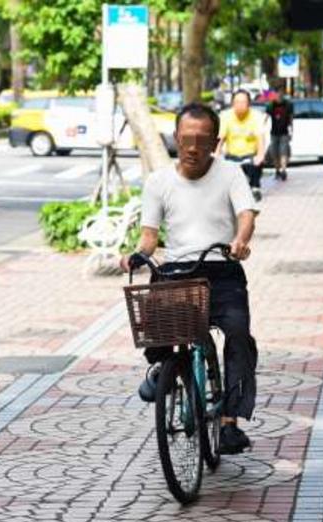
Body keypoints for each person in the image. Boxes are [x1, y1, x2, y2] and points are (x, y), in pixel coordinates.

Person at [121, 103, 259, 455]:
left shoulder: (231, 174)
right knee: (157, 327)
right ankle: (163, 369)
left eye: (202, 140)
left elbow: (246, 214)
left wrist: (241, 241)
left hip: (222, 269)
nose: (193, 147)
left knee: (239, 337)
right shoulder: (159, 181)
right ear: (176, 140)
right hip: (177, 272)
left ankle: (229, 422)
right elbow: (150, 237)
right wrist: (138, 253)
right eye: (186, 139)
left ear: (215, 141)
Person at [217, 89, 267, 201]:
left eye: (243, 102)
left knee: (255, 166)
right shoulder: (226, 116)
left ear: (249, 104)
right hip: (232, 155)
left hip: (250, 156)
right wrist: (216, 153)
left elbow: (260, 138)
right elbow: (220, 138)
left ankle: (255, 188)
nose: (240, 105)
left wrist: (260, 155)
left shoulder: (256, 116)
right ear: (232, 104)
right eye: (237, 102)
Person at [266, 91, 293, 181]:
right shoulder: (271, 105)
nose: (278, 97)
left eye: (279, 95)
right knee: (275, 153)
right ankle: (277, 170)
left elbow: (291, 118)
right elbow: (266, 117)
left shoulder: (287, 105)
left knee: (283, 152)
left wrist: (291, 131)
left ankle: (283, 171)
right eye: (277, 95)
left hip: (284, 133)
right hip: (274, 133)